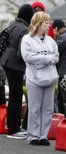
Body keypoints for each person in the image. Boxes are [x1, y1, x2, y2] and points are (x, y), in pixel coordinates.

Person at [21, 11, 59, 146]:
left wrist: (43, 59)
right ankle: (33, 136)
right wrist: (47, 59)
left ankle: (43, 135)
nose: (49, 25)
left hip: (50, 79)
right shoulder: (27, 39)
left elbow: (56, 57)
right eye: (46, 22)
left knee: (48, 109)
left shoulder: (51, 41)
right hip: (34, 79)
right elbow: (27, 57)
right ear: (38, 23)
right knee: (35, 108)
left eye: (49, 22)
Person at [0, 4, 34, 139]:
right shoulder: (24, 30)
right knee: (16, 96)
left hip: (6, 61)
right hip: (16, 65)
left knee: (15, 95)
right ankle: (13, 129)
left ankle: (13, 126)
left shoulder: (13, 24)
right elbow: (22, 53)